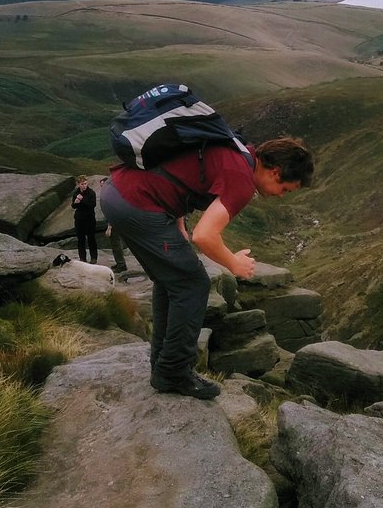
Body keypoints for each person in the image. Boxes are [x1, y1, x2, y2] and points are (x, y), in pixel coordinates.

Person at [100, 136, 313, 399]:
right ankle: (174, 372)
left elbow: (182, 171)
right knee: (193, 284)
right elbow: (205, 236)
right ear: (276, 171)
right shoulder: (242, 179)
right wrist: (234, 263)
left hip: (119, 194)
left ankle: (163, 363)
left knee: (172, 281)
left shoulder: (236, 150)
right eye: (286, 190)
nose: (281, 196)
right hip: (136, 203)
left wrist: (178, 220)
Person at [71, 175, 98, 263]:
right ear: (78, 184)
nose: (84, 186)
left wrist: (82, 200)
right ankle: (82, 258)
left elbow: (92, 205)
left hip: (89, 218)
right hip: (79, 219)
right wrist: (75, 202)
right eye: (82, 184)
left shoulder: (91, 192)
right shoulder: (76, 193)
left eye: (85, 183)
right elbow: (73, 206)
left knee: (91, 238)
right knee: (80, 239)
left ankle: (93, 258)